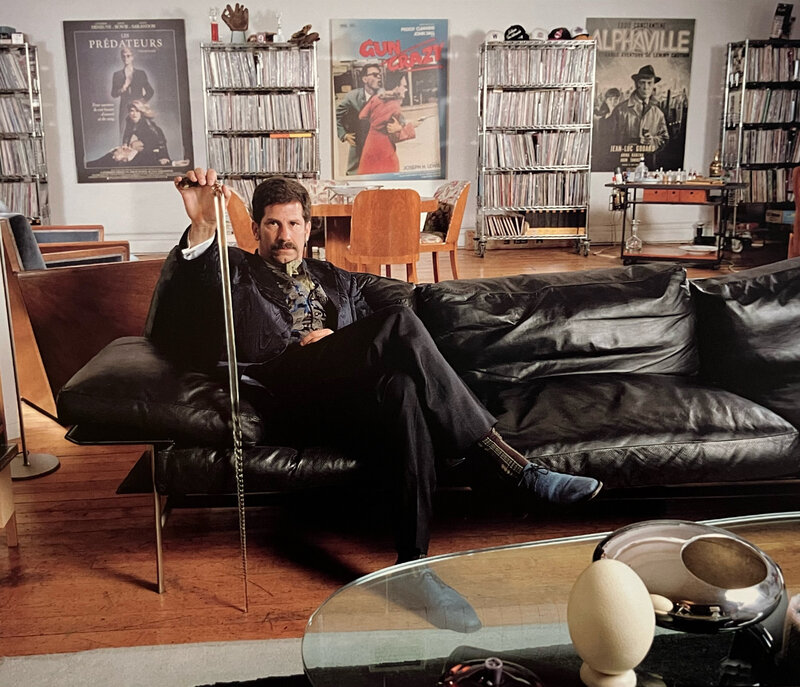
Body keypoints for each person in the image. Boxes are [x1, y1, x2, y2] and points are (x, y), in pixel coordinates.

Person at [155, 168, 602, 629]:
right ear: (255, 228)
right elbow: (186, 288)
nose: (283, 235)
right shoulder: (234, 272)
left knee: (403, 389)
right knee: (399, 321)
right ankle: (507, 465)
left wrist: (337, 343)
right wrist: (202, 224)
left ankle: (412, 567)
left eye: (293, 224)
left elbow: (380, 346)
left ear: (308, 228)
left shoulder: (337, 279)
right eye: (272, 224)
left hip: (341, 397)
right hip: (282, 388)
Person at [357, 74, 421, 175]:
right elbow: (395, 134)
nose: (406, 89)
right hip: (385, 149)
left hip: (370, 144)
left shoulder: (375, 98)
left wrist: (375, 121)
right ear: (396, 87)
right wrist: (411, 126)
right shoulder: (395, 106)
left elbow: (362, 116)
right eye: (404, 86)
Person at [607, 65, 669, 168]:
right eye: (642, 83)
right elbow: (608, 140)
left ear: (653, 85)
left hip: (648, 167)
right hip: (624, 166)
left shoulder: (658, 113)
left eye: (649, 83)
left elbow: (664, 139)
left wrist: (652, 141)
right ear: (636, 84)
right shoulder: (620, 110)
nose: (646, 87)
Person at [335, 63, 383, 175]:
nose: (379, 77)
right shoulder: (352, 97)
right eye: (374, 75)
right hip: (358, 146)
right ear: (365, 79)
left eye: (379, 75)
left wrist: (398, 126)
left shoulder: (384, 97)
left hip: (379, 146)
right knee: (355, 174)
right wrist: (343, 135)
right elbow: (335, 116)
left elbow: (396, 117)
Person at [110, 47, 154, 136]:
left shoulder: (140, 73)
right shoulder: (117, 75)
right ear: (121, 57)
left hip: (138, 109)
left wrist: (141, 103)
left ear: (132, 57)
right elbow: (113, 94)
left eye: (128, 56)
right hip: (124, 109)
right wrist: (123, 88)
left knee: (142, 133)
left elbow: (150, 91)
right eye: (123, 56)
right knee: (124, 133)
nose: (125, 58)